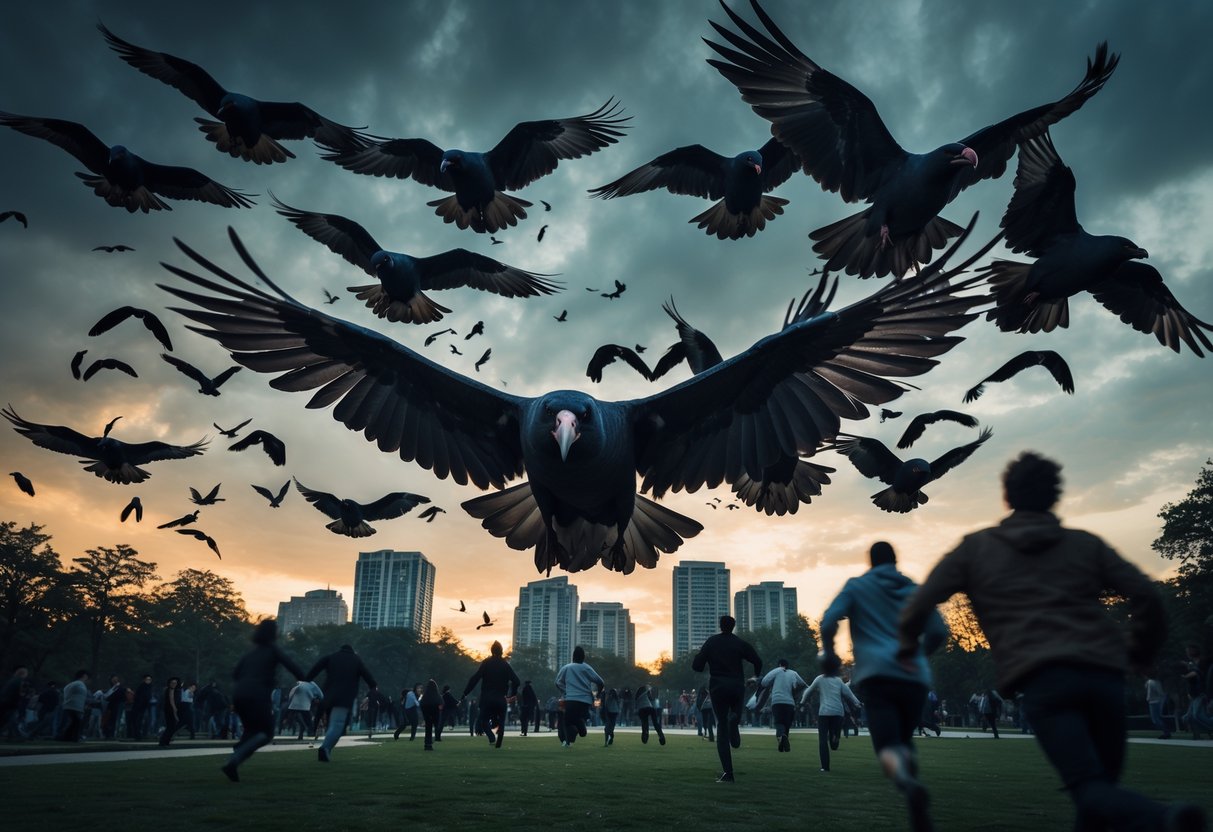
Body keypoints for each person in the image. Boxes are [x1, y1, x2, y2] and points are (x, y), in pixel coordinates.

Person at [898, 451, 1205, 832]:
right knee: (1099, 793)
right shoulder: (1084, 545)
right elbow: (1146, 595)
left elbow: (918, 606)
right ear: (1055, 495)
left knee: (1089, 788)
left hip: (1043, 677)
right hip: (1105, 674)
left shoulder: (977, 548)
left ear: (1007, 496)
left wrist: (909, 653)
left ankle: (1165, 819)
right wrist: (1141, 651)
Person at [821, 540, 947, 832]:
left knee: (888, 748)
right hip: (914, 678)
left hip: (878, 675)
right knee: (905, 742)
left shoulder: (857, 586)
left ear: (871, 561)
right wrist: (918, 655)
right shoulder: (914, 589)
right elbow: (939, 632)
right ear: (895, 559)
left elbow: (829, 620)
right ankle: (916, 810)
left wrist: (829, 653)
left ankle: (906, 782)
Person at [221, 619, 305, 781]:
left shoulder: (251, 652)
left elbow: (235, 673)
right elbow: (292, 666)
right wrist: (304, 679)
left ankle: (237, 757)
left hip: (239, 695)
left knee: (250, 731)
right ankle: (235, 759)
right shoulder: (273, 650)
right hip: (257, 696)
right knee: (266, 733)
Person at [691, 615, 762, 783]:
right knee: (734, 715)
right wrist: (755, 677)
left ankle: (728, 773)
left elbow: (697, 666)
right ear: (733, 626)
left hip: (718, 687)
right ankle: (735, 720)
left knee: (721, 727)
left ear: (720, 626)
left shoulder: (712, 642)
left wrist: (699, 657)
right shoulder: (740, 643)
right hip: (737, 686)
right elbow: (758, 661)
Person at [306, 643, 377, 763]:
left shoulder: (331, 657)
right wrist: (372, 688)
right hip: (344, 697)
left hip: (328, 696)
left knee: (332, 724)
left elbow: (314, 670)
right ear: (352, 651)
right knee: (337, 724)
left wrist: (306, 679)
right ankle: (325, 748)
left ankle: (326, 749)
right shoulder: (356, 660)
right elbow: (369, 678)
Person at [802, 655, 861, 772]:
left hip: (824, 713)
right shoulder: (838, 681)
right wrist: (857, 703)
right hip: (838, 713)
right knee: (834, 743)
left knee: (823, 740)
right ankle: (835, 737)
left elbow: (808, 691)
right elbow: (849, 694)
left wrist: (802, 701)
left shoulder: (819, 679)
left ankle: (825, 767)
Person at [461, 641, 520, 749]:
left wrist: (465, 693)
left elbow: (475, 678)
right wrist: (513, 694)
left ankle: (491, 737)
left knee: (484, 720)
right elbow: (516, 681)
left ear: (491, 651)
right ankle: (499, 741)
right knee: (501, 721)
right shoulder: (505, 665)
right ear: (501, 651)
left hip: (487, 698)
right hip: (500, 698)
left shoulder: (486, 663)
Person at [554, 646, 605, 748]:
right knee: (578, 718)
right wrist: (598, 694)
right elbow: (600, 682)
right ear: (583, 657)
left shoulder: (567, 668)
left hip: (571, 699)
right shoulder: (586, 668)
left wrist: (565, 691)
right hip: (585, 700)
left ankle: (570, 739)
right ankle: (579, 731)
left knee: (567, 721)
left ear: (573, 657)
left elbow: (558, 682)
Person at [760, 658, 807, 753]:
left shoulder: (777, 671)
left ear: (780, 664)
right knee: (787, 724)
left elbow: (764, 682)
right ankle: (783, 746)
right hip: (790, 702)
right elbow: (803, 684)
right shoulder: (793, 673)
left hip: (777, 701)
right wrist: (796, 693)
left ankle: (782, 737)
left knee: (779, 723)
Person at [57, 670, 90, 742]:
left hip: (68, 705)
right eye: (87, 676)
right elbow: (82, 696)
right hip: (75, 707)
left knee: (75, 722)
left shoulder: (69, 685)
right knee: (77, 722)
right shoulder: (80, 684)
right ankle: (74, 738)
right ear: (84, 676)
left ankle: (67, 737)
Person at [419, 679, 443, 750]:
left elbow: (422, 705)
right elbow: (441, 704)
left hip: (427, 715)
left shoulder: (425, 696)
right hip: (435, 714)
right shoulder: (437, 696)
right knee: (436, 727)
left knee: (428, 729)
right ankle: (435, 739)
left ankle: (427, 743)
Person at [158, 677, 182, 746]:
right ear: (170, 683)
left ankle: (165, 741)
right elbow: (171, 700)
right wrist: (175, 709)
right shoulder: (170, 689)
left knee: (171, 727)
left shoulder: (171, 689)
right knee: (170, 727)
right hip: (169, 710)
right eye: (172, 683)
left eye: (175, 683)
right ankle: (163, 741)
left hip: (169, 709)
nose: (174, 684)